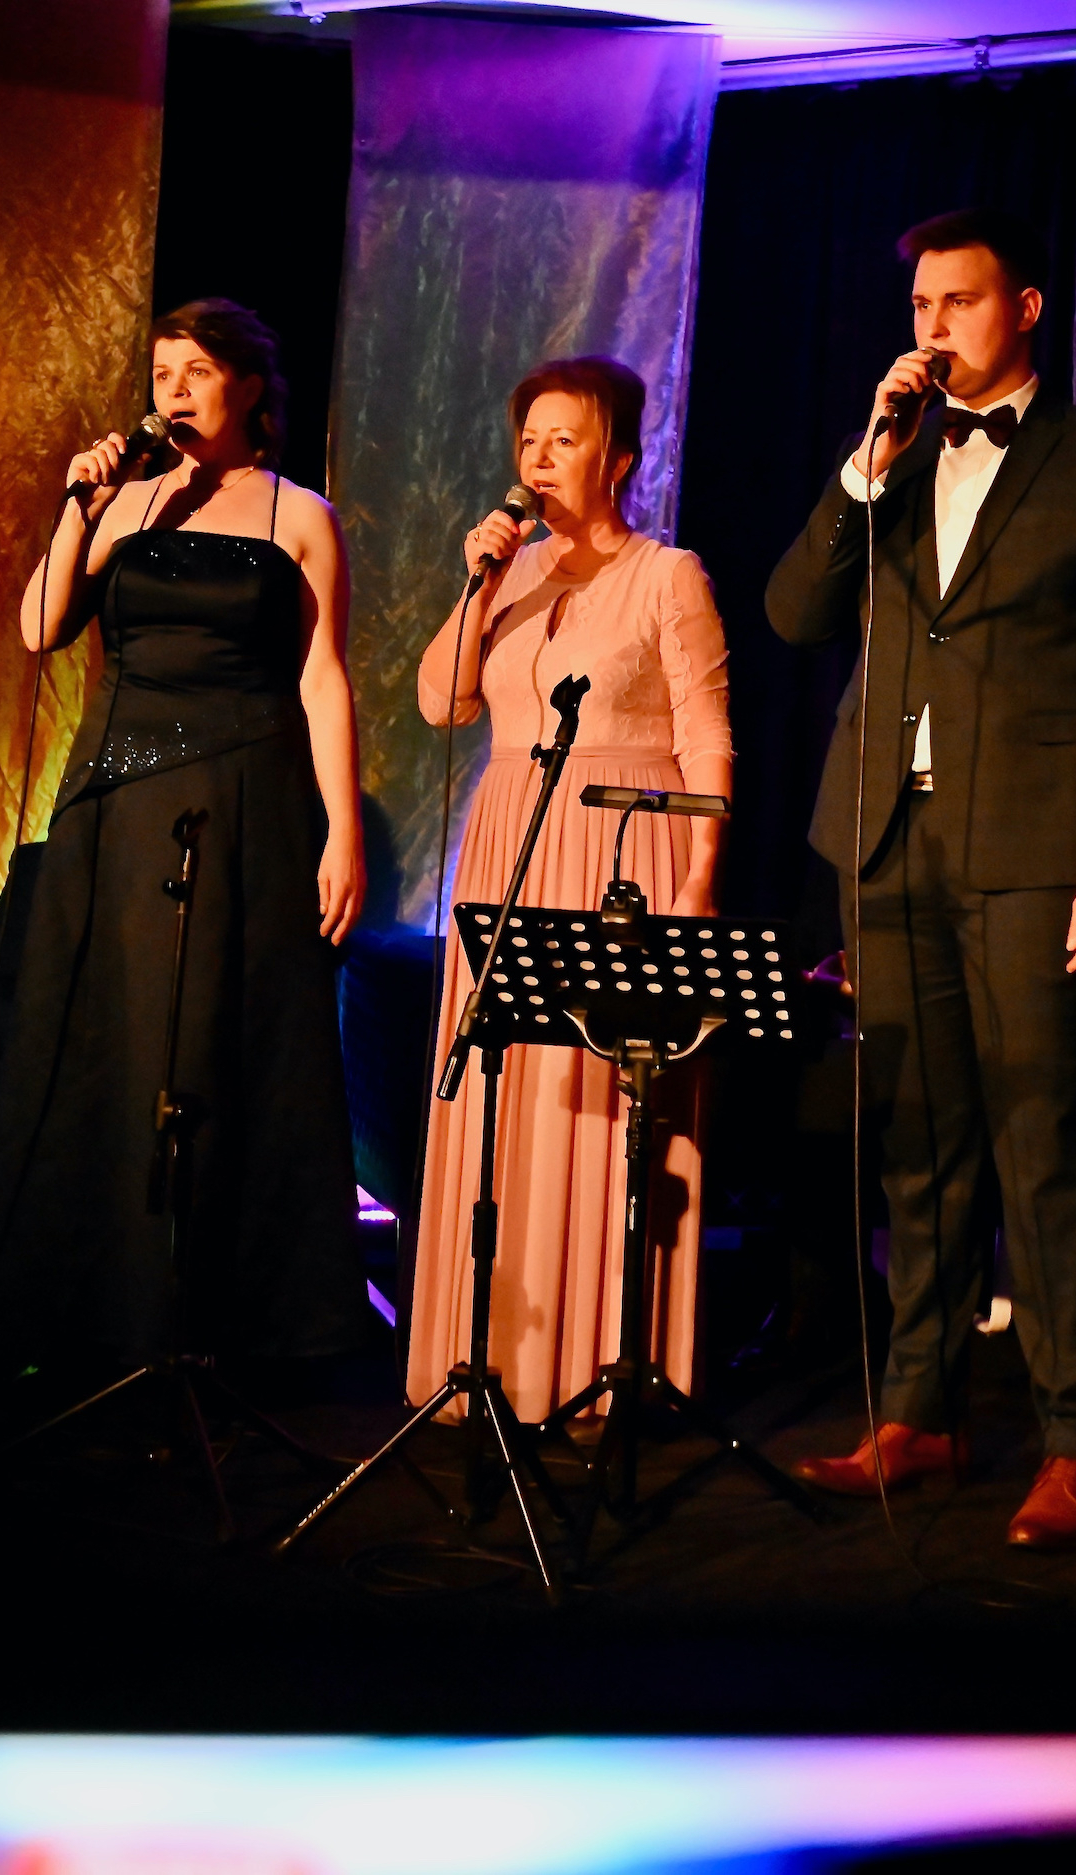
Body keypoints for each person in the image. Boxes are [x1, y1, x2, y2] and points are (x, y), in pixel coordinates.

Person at [767, 208, 1076, 1550]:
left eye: (959, 300)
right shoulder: (891, 462)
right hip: (887, 837)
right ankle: (919, 1412)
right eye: (921, 305)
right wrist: (861, 470)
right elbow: (793, 614)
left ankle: (1070, 1437)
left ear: (1026, 308)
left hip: (1034, 844)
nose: (934, 325)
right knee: (918, 1145)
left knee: (1039, 1145)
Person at [0, 298, 372, 1369]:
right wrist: (80, 506)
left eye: (196, 370)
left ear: (248, 387)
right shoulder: (128, 500)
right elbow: (39, 627)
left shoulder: (299, 515)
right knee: (116, 1037)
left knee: (210, 1042)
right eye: (162, 373)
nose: (175, 390)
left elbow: (322, 678)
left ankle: (214, 1320)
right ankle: (91, 1308)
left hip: (243, 795)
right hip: (118, 796)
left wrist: (344, 831)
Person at [405, 356, 733, 1426]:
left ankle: (604, 1367)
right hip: (513, 840)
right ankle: (493, 1357)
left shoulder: (668, 575)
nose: (539, 459)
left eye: (565, 439)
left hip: (624, 854)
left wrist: (697, 884)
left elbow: (708, 739)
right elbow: (442, 701)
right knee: (508, 1100)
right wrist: (481, 582)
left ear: (620, 457)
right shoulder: (511, 574)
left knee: (599, 1106)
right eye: (528, 441)